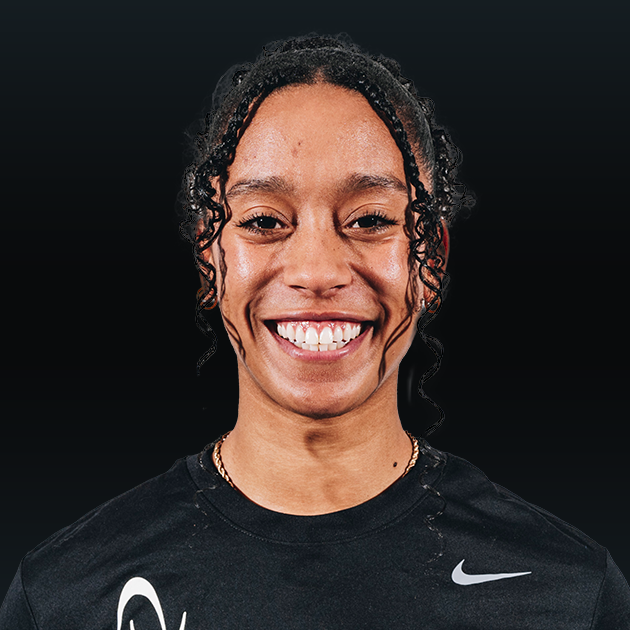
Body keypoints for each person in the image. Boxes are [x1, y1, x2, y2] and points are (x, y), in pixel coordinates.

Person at [2, 32, 629, 629]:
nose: (317, 271)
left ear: (430, 261)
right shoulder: (66, 595)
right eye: (265, 221)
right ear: (209, 257)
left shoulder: (567, 593)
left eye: (370, 219)